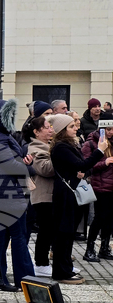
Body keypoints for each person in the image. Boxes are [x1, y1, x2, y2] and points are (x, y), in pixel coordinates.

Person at [0, 99, 35, 291]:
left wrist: (24, 162)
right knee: (18, 236)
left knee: (3, 236)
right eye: (7, 114)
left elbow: (14, 162)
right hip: (6, 193)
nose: (11, 118)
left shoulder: (1, 135)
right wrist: (27, 165)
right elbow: (11, 166)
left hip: (6, 191)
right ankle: (27, 280)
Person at [51, 113, 107, 284]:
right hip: (65, 193)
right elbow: (81, 164)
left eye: (75, 126)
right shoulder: (61, 147)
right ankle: (61, 272)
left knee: (69, 233)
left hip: (72, 191)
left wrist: (84, 169)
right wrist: (99, 151)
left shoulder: (70, 145)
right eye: (71, 127)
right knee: (63, 233)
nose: (76, 128)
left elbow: (83, 166)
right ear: (62, 130)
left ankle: (66, 268)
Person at [27, 116, 57, 277]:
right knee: (46, 230)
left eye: (51, 126)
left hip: (53, 194)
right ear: (36, 132)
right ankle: (41, 263)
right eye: (46, 127)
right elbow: (45, 169)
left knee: (51, 230)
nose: (50, 130)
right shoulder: (35, 148)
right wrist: (59, 155)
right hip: (43, 195)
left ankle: (53, 263)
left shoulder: (49, 146)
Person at [82, 127, 113, 263]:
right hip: (100, 186)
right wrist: (104, 163)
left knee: (110, 219)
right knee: (99, 218)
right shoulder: (92, 143)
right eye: (108, 129)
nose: (111, 132)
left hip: (112, 186)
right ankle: (90, 249)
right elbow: (86, 165)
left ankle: (105, 248)